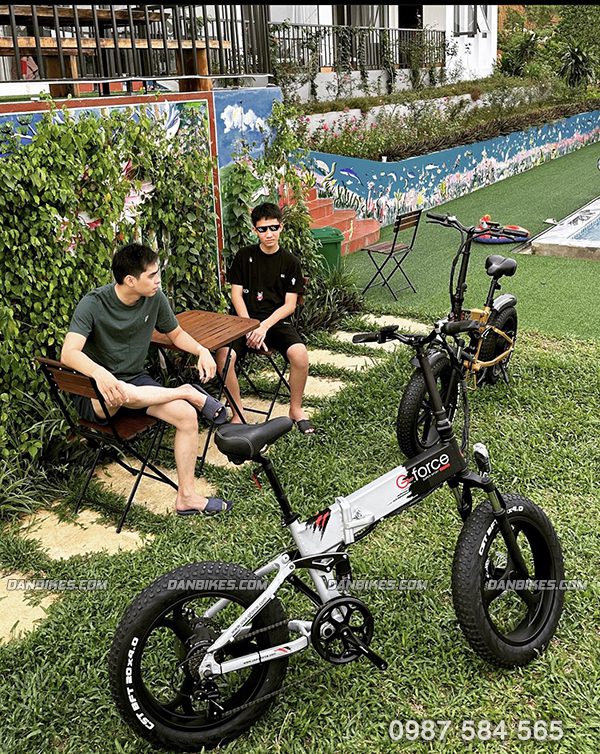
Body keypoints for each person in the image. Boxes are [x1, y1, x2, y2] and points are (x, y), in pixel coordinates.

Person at [60, 242, 233, 517]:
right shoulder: (93, 304)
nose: (158, 280)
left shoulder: (155, 298)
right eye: (152, 275)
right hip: (97, 393)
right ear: (130, 280)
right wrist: (99, 373)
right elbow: (69, 353)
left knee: (186, 415)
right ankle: (187, 390)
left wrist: (201, 350)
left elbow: (176, 334)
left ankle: (187, 497)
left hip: (137, 384)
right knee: (119, 390)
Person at [215, 202, 314, 434]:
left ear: (281, 227)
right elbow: (236, 295)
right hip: (243, 321)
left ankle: (296, 409)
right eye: (262, 229)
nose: (269, 234)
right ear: (255, 230)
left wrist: (263, 327)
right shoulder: (244, 256)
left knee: (300, 354)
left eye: (273, 228)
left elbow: (290, 305)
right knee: (223, 356)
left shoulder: (290, 262)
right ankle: (237, 413)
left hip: (276, 322)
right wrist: (249, 326)